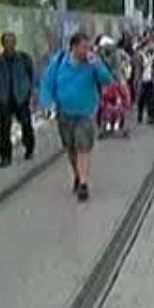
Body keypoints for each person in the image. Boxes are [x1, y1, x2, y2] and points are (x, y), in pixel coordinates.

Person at [39, 32, 114, 201]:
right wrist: (47, 104)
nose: (87, 51)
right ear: (74, 47)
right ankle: (78, 175)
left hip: (85, 114)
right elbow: (47, 84)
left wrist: (97, 65)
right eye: (84, 48)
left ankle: (83, 184)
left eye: (89, 47)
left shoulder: (92, 63)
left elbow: (107, 80)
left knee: (83, 147)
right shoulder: (59, 62)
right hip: (64, 114)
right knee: (71, 148)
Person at [0, 32, 36, 166]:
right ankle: (5, 157)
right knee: (4, 129)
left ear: (15, 43)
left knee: (26, 124)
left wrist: (28, 92)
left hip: (21, 97)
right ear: (3, 44)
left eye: (12, 41)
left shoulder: (24, 58)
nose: (9, 44)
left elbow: (30, 76)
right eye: (7, 42)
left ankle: (29, 147)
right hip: (4, 99)